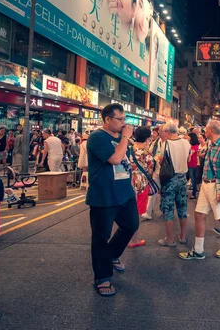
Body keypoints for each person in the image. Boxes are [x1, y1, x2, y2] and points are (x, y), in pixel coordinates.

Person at [86, 103, 139, 297]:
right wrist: (125, 136)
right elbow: (115, 159)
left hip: (125, 193)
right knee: (101, 237)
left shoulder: (120, 138)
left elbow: (125, 162)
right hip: (104, 196)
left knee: (131, 225)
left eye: (125, 120)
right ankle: (102, 277)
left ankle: (112, 255)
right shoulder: (97, 138)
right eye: (120, 119)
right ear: (107, 119)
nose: (123, 123)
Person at [180, 120, 220, 260]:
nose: (204, 132)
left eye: (206, 130)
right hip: (205, 184)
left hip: (217, 186)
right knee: (199, 214)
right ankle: (198, 250)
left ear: (211, 131)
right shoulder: (211, 144)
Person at [158, 123, 191, 247]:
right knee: (182, 208)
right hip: (183, 179)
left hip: (170, 180)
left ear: (167, 132)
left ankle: (170, 239)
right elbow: (188, 159)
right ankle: (182, 236)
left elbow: (161, 161)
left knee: (168, 209)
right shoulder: (186, 143)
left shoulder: (165, 144)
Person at [127, 126, 155, 248]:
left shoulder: (129, 149)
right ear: (147, 138)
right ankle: (133, 240)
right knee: (136, 213)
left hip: (127, 182)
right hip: (141, 184)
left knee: (127, 210)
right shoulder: (147, 153)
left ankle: (124, 236)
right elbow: (150, 170)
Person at [142, 125, 167, 220]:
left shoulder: (170, 142)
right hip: (157, 171)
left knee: (166, 192)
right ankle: (148, 212)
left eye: (160, 131)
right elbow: (149, 152)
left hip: (168, 172)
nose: (159, 133)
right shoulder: (156, 142)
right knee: (153, 191)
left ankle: (165, 209)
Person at [188, 132, 200, 200]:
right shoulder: (192, 145)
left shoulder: (195, 146)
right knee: (192, 179)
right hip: (190, 164)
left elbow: (190, 153)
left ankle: (194, 193)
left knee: (193, 179)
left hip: (193, 164)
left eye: (189, 137)